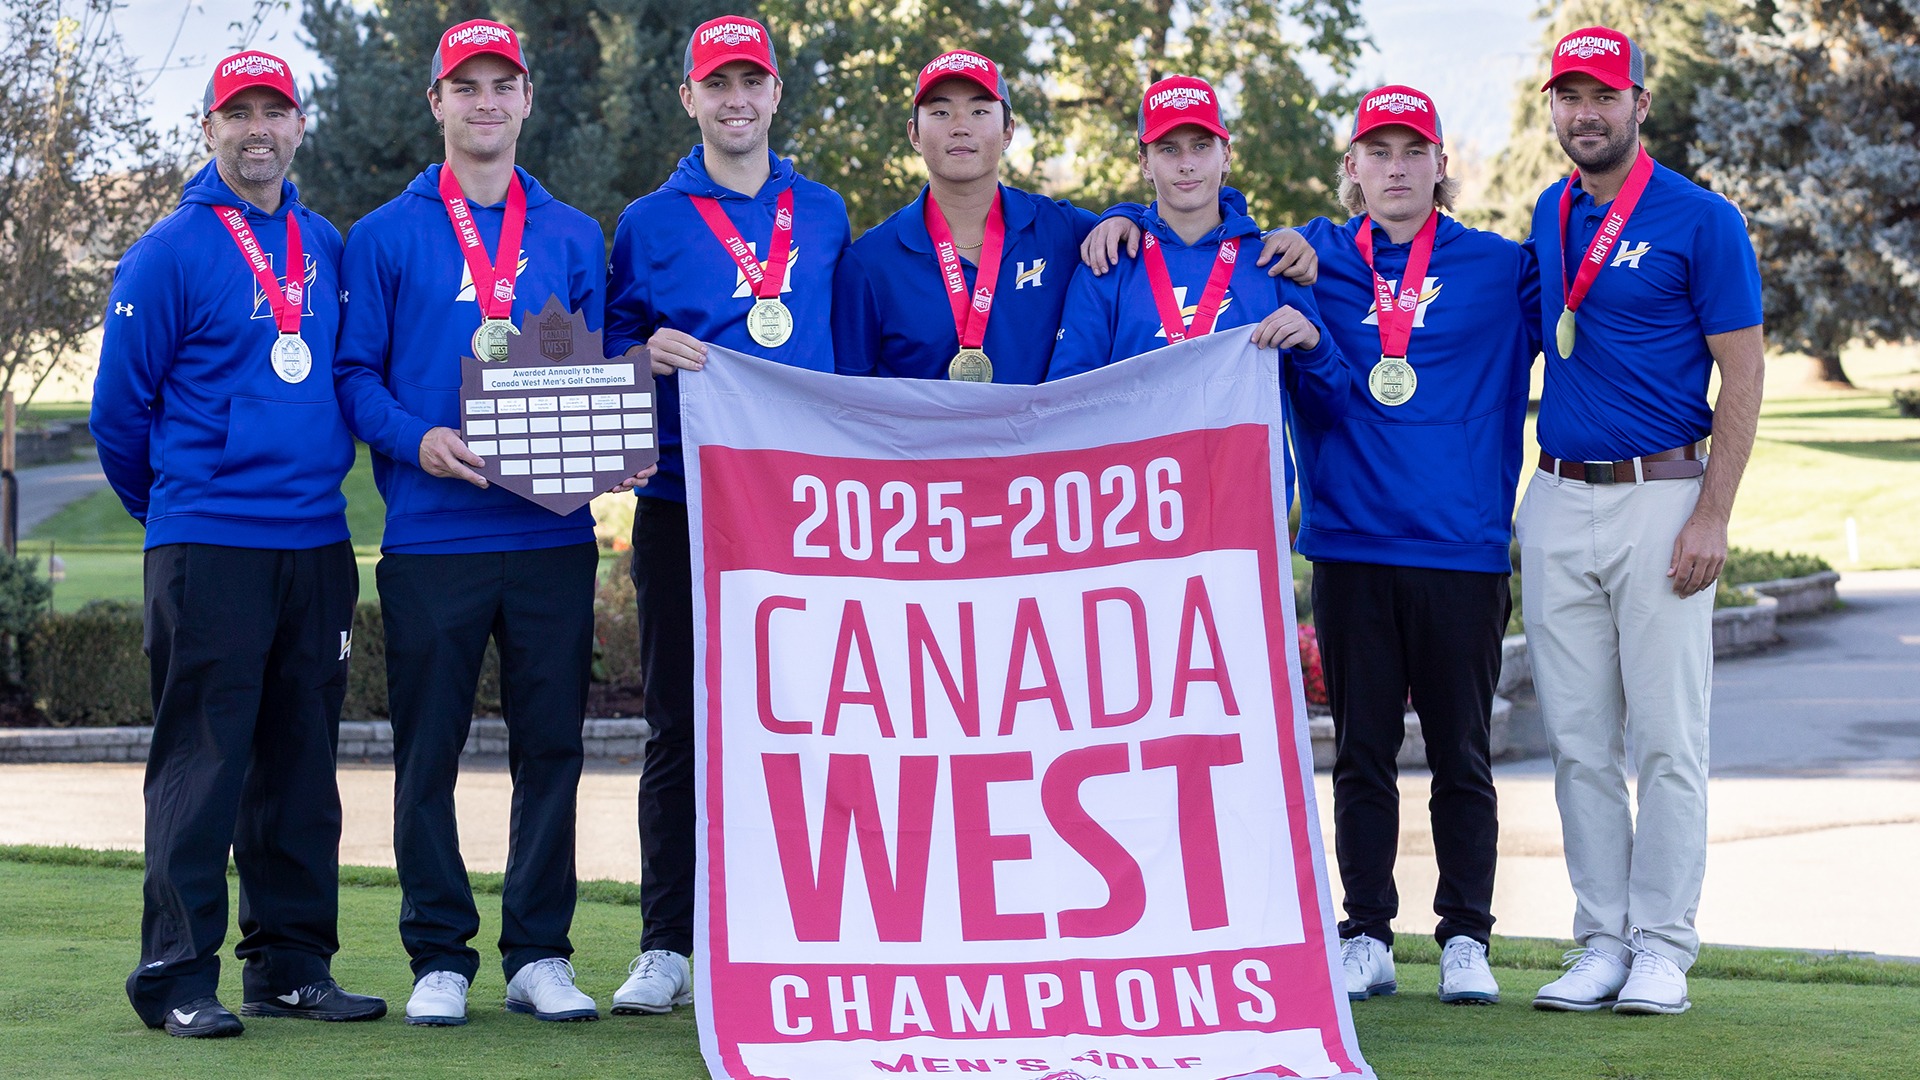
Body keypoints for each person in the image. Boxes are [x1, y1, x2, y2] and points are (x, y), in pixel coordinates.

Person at [335, 18, 647, 1026]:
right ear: (437, 103)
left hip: (550, 535)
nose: (484, 102)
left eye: (500, 85)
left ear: (525, 101)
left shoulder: (568, 231)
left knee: (550, 748)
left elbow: (594, 368)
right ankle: (438, 955)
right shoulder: (384, 234)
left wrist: (601, 441)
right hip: (432, 537)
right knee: (427, 753)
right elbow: (353, 378)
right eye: (463, 86)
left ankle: (538, 953)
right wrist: (415, 437)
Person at [94, 49, 384, 1038]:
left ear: (299, 125)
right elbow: (118, 414)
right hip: (209, 544)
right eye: (238, 113)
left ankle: (291, 967)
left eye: (275, 111)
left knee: (301, 767)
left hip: (315, 544)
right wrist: (178, 515)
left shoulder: (326, 244)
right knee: (203, 766)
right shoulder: (169, 250)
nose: (258, 129)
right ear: (209, 128)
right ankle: (174, 975)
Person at [604, 13, 851, 1015]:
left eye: (753, 81)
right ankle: (669, 941)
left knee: (812, 726)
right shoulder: (648, 224)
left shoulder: (826, 212)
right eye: (719, 84)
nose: (736, 99)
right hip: (681, 506)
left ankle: (806, 926)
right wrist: (644, 358)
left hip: (808, 515)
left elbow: (857, 360)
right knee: (679, 727)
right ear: (691, 99)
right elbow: (607, 369)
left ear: (776, 93)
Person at [1521, 26, 1764, 1016]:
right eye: (1569, 96)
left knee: (1668, 738)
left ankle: (1664, 944)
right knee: (1576, 740)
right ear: (1555, 108)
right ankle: (1603, 939)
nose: (1586, 112)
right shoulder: (1549, 211)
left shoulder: (1701, 220)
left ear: (1639, 104)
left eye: (1603, 95)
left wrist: (1713, 511)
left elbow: (1744, 373)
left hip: (1664, 497)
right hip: (1555, 499)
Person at [1279, 85, 1539, 1006]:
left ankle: (1466, 936)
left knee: (1463, 757)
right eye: (1377, 152)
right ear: (1351, 168)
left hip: (1460, 552)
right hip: (1349, 547)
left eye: (1412, 151)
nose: (1395, 168)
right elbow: (1197, 234)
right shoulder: (1309, 263)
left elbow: (1602, 310)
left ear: (1440, 165)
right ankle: (1367, 933)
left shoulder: (1504, 268)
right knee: (1361, 755)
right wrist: (1115, 212)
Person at [835, 50, 1316, 384]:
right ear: (914, 134)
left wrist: (1122, 215)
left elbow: (1170, 233)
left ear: (1008, 131)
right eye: (939, 113)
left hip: (1042, 502)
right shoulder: (869, 262)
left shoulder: (1063, 232)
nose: (960, 126)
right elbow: (848, 402)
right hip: (927, 506)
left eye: (980, 110)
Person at [1046, 74, 1344, 513]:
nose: (1186, 164)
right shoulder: (1109, 265)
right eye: (1169, 149)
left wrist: (1313, 348)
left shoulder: (1272, 263)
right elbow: (1067, 403)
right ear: (1146, 164)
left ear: (1227, 156)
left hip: (1248, 514)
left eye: (1201, 146)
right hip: (1133, 516)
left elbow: (1326, 410)